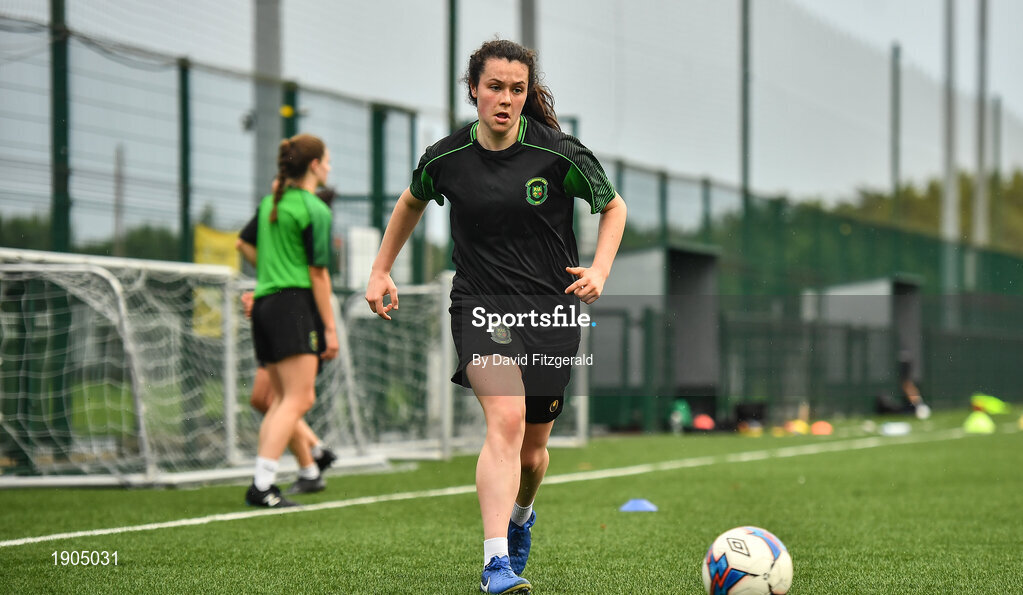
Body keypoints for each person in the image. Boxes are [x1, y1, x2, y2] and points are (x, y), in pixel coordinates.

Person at [365, 39, 626, 593]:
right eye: (494, 88)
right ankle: (495, 563)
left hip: (552, 314)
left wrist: (600, 269)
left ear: (526, 94)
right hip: (481, 306)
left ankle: (522, 514)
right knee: (504, 419)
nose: (505, 99)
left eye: (517, 89)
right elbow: (411, 201)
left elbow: (613, 206)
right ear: (473, 90)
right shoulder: (446, 158)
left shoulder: (559, 153)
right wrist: (380, 269)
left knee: (533, 454)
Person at [243, 133, 339, 508]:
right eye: (326, 160)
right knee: (298, 398)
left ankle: (302, 471)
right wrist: (329, 328)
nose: (329, 166)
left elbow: (246, 245)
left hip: (265, 305)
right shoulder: (315, 210)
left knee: (280, 399)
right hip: (293, 307)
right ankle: (263, 485)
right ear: (314, 166)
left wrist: (269, 275)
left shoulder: (272, 202)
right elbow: (318, 274)